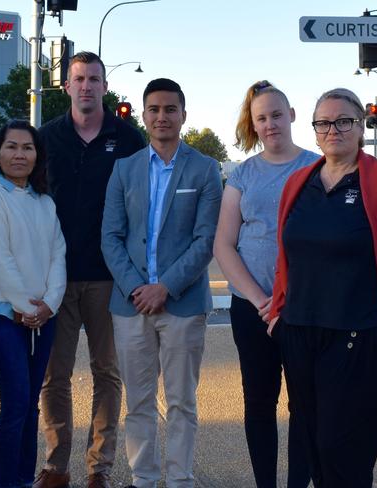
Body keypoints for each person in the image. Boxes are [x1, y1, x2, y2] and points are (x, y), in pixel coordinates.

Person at [268, 88, 377, 487]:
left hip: (360, 338)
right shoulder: (300, 182)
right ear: (314, 130)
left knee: (344, 455)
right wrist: (279, 311)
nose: (334, 130)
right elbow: (287, 254)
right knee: (314, 449)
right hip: (300, 335)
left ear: (361, 126)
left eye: (344, 121)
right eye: (324, 123)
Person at [101, 78, 223, 488]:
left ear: (183, 115)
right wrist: (138, 286)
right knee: (137, 402)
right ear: (144, 115)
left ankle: (180, 479)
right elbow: (111, 237)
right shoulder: (124, 169)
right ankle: (143, 478)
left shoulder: (205, 169)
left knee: (181, 402)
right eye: (153, 109)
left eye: (170, 109)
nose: (161, 116)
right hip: (130, 305)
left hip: (183, 304)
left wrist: (165, 287)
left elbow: (206, 240)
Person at [35, 51, 145, 488]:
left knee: (107, 372)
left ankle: (99, 468)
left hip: (108, 276)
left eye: (94, 79)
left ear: (105, 86)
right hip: (56, 276)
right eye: (78, 78)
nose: (86, 86)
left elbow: (143, 203)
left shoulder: (128, 138)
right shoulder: (46, 137)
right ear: (66, 85)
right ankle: (56, 466)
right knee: (53, 375)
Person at [213, 80, 317, 488]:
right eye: (262, 118)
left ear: (291, 116)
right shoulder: (242, 175)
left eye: (277, 114)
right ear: (253, 125)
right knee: (259, 401)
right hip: (251, 307)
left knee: (305, 405)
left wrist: (288, 301)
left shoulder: (316, 168)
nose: (270, 123)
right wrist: (260, 300)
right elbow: (224, 244)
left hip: (304, 308)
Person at [0, 119, 66, 488]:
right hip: (0, 313)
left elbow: (59, 254)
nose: (19, 154)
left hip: (42, 317)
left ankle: (23, 479)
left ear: (37, 156)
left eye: (27, 147)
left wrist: (50, 305)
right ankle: (1, 482)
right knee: (14, 402)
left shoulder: (44, 202)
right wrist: (26, 307)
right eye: (11, 146)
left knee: (30, 405)